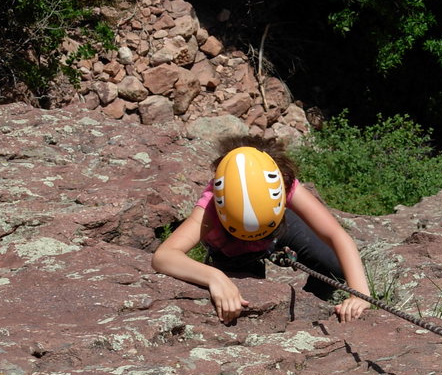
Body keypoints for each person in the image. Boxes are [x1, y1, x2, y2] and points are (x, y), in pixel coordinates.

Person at [152, 135, 370, 324]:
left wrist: (360, 294)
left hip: (278, 226)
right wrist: (214, 277)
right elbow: (164, 256)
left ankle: (311, 306)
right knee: (242, 304)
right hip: (231, 249)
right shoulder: (212, 205)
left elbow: (336, 235)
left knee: (332, 264)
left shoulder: (279, 183)